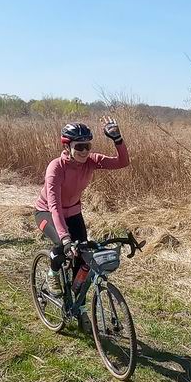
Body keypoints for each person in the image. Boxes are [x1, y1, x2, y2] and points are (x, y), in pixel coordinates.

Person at [34, 116, 129, 303]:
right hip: (47, 212)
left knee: (83, 258)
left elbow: (122, 162)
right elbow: (54, 206)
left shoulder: (91, 161)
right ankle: (53, 274)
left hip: (74, 213)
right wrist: (65, 237)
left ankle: (79, 306)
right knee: (62, 246)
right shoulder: (56, 168)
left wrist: (117, 139)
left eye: (87, 146)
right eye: (79, 147)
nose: (84, 151)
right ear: (67, 147)